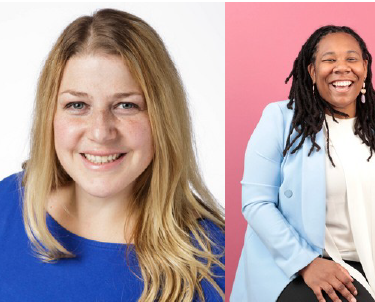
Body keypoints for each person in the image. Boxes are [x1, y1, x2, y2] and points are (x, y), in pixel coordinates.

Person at [0, 9, 224, 302]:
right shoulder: (7, 204)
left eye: (126, 106)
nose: (100, 132)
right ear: (50, 117)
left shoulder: (216, 260)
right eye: (77, 105)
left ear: (163, 118)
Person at [231, 25, 375, 302]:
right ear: (311, 71)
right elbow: (256, 203)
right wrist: (306, 262)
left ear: (365, 68)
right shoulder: (280, 119)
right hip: (298, 263)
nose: (342, 68)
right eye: (329, 60)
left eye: (351, 59)